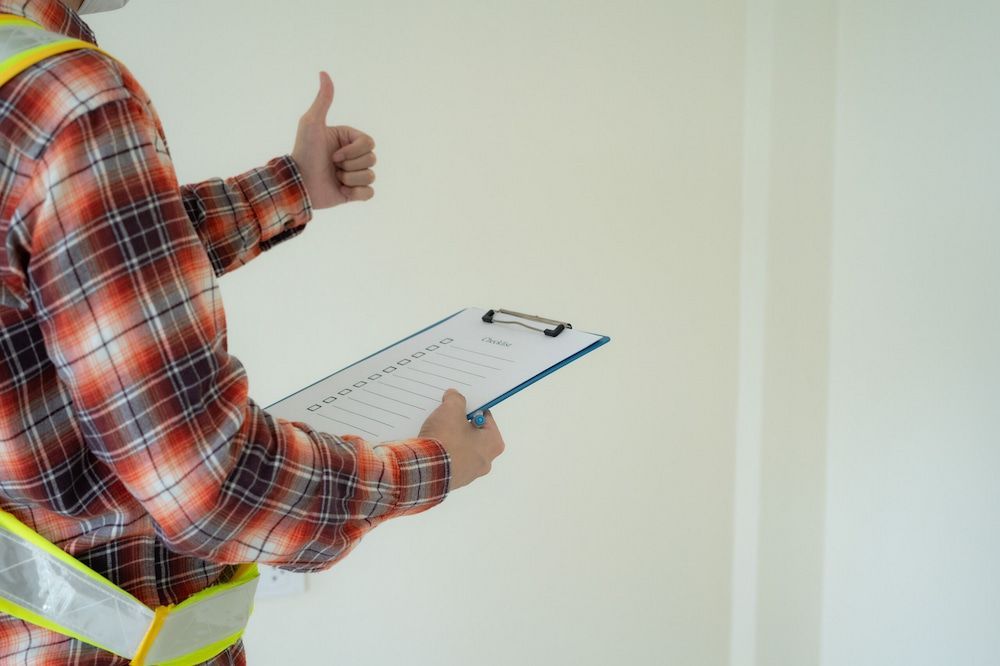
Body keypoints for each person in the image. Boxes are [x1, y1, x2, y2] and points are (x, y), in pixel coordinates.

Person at [0, 0, 505, 663]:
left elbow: (76, 268)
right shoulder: (67, 100)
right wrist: (430, 468)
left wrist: (291, 185)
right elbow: (209, 486)